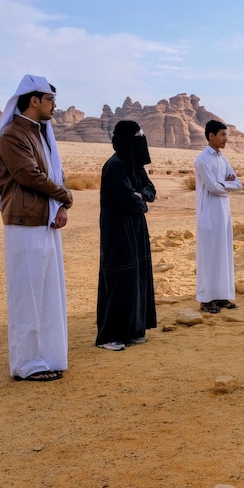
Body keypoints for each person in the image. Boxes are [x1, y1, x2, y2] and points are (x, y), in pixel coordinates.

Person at [0, 74, 73, 381]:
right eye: (50, 99)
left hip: (44, 221)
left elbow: (52, 173)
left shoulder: (39, 133)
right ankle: (27, 364)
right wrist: (65, 196)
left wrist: (60, 205)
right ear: (33, 100)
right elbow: (29, 175)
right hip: (24, 222)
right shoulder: (12, 134)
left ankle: (47, 357)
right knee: (28, 294)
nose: (54, 105)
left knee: (47, 293)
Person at [95, 120, 157, 351]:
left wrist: (140, 196)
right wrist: (139, 199)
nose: (141, 142)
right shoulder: (115, 166)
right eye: (137, 137)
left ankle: (133, 329)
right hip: (117, 229)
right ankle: (109, 335)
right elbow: (126, 200)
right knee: (120, 276)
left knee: (137, 275)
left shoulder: (134, 166)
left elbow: (150, 190)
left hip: (136, 227)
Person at [194, 119, 242, 313]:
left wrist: (223, 184)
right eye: (222, 135)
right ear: (211, 136)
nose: (226, 139)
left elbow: (238, 184)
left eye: (226, 135)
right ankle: (206, 300)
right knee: (209, 255)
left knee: (223, 253)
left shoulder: (223, 159)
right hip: (209, 214)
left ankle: (222, 297)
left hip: (223, 213)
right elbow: (213, 188)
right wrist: (225, 183)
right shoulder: (202, 159)